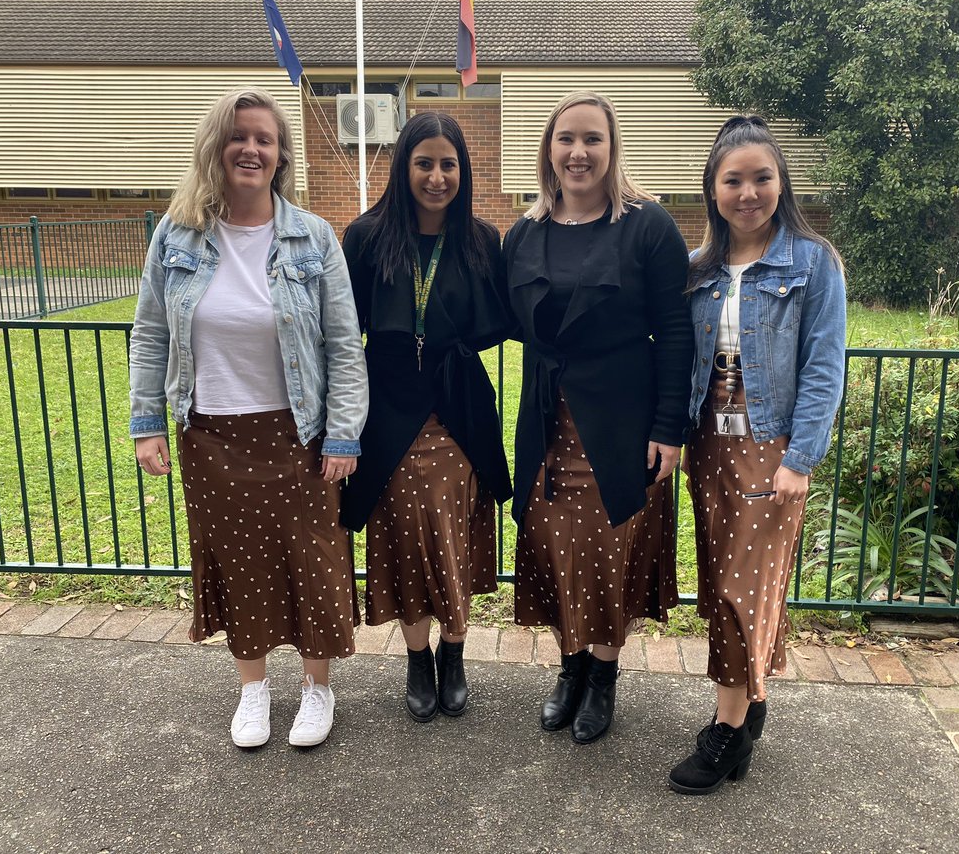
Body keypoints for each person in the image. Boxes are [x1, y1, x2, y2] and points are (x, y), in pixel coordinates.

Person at [128, 87, 368, 750]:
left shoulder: (313, 237)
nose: (252, 149)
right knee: (237, 564)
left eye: (264, 138)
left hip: (298, 433)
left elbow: (343, 343)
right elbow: (150, 334)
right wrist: (148, 422)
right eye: (239, 137)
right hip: (210, 434)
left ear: (281, 154)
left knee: (313, 561)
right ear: (216, 147)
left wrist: (344, 432)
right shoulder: (176, 237)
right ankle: (253, 690)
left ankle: (318, 689)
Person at [504, 91, 693, 744]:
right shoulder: (525, 234)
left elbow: (674, 332)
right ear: (548, 151)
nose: (578, 152)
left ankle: (603, 676)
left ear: (612, 151)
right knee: (562, 554)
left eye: (592, 139)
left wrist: (669, 427)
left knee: (614, 555)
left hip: (619, 427)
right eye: (566, 139)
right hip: (548, 429)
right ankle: (569, 668)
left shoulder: (647, 226)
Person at [670, 115, 846, 793]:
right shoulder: (698, 270)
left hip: (770, 450)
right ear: (713, 190)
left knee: (745, 590)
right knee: (726, 586)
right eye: (733, 180)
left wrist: (800, 459)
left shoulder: (811, 262)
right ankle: (753, 705)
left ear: (782, 183)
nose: (749, 192)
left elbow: (824, 366)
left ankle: (726, 732)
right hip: (709, 446)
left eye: (761, 178)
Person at [340, 112, 512, 721]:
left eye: (448, 164)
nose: (437, 177)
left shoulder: (483, 240)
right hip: (388, 403)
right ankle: (417, 656)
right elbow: (340, 333)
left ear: (463, 170)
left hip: (459, 402)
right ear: (403, 167)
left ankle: (456, 649)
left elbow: (517, 316)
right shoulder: (364, 238)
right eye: (424, 163)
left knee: (455, 528)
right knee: (402, 531)